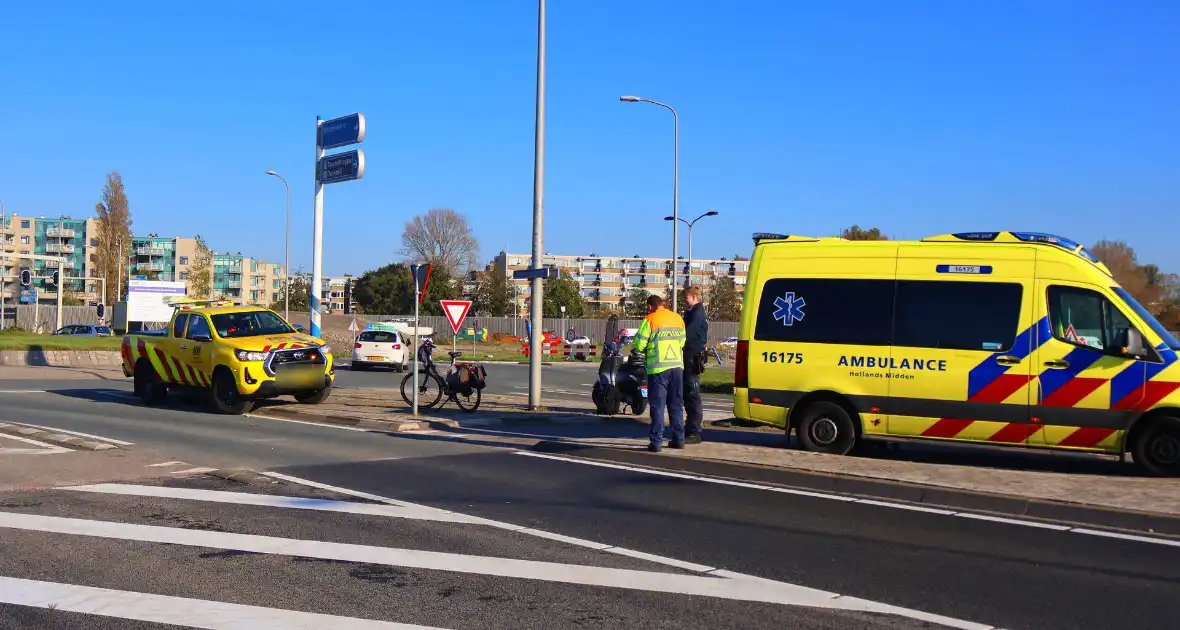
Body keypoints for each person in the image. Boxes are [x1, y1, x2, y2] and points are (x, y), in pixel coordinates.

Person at [631, 294, 687, 452]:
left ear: (650, 306)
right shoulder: (677, 318)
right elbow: (682, 341)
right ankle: (679, 439)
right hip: (677, 367)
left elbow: (640, 344)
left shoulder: (650, 319)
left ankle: (656, 442)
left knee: (657, 406)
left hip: (658, 369)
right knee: (676, 405)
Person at [681, 286, 708, 444]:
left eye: (686, 298)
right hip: (689, 355)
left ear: (693, 296)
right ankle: (690, 427)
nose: (685, 302)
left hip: (692, 356)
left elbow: (687, 332)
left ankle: (695, 431)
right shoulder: (692, 311)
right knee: (688, 393)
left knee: (692, 394)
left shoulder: (697, 312)